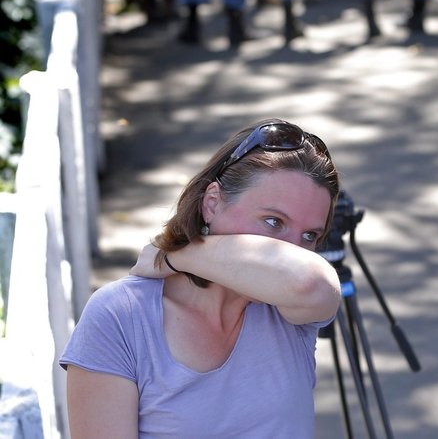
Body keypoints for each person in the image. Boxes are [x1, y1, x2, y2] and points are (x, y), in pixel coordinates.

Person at [60, 120, 343, 436]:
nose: (294, 251)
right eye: (273, 222)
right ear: (212, 203)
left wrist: (174, 255)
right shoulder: (122, 316)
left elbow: (307, 280)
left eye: (309, 235)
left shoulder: (290, 311)